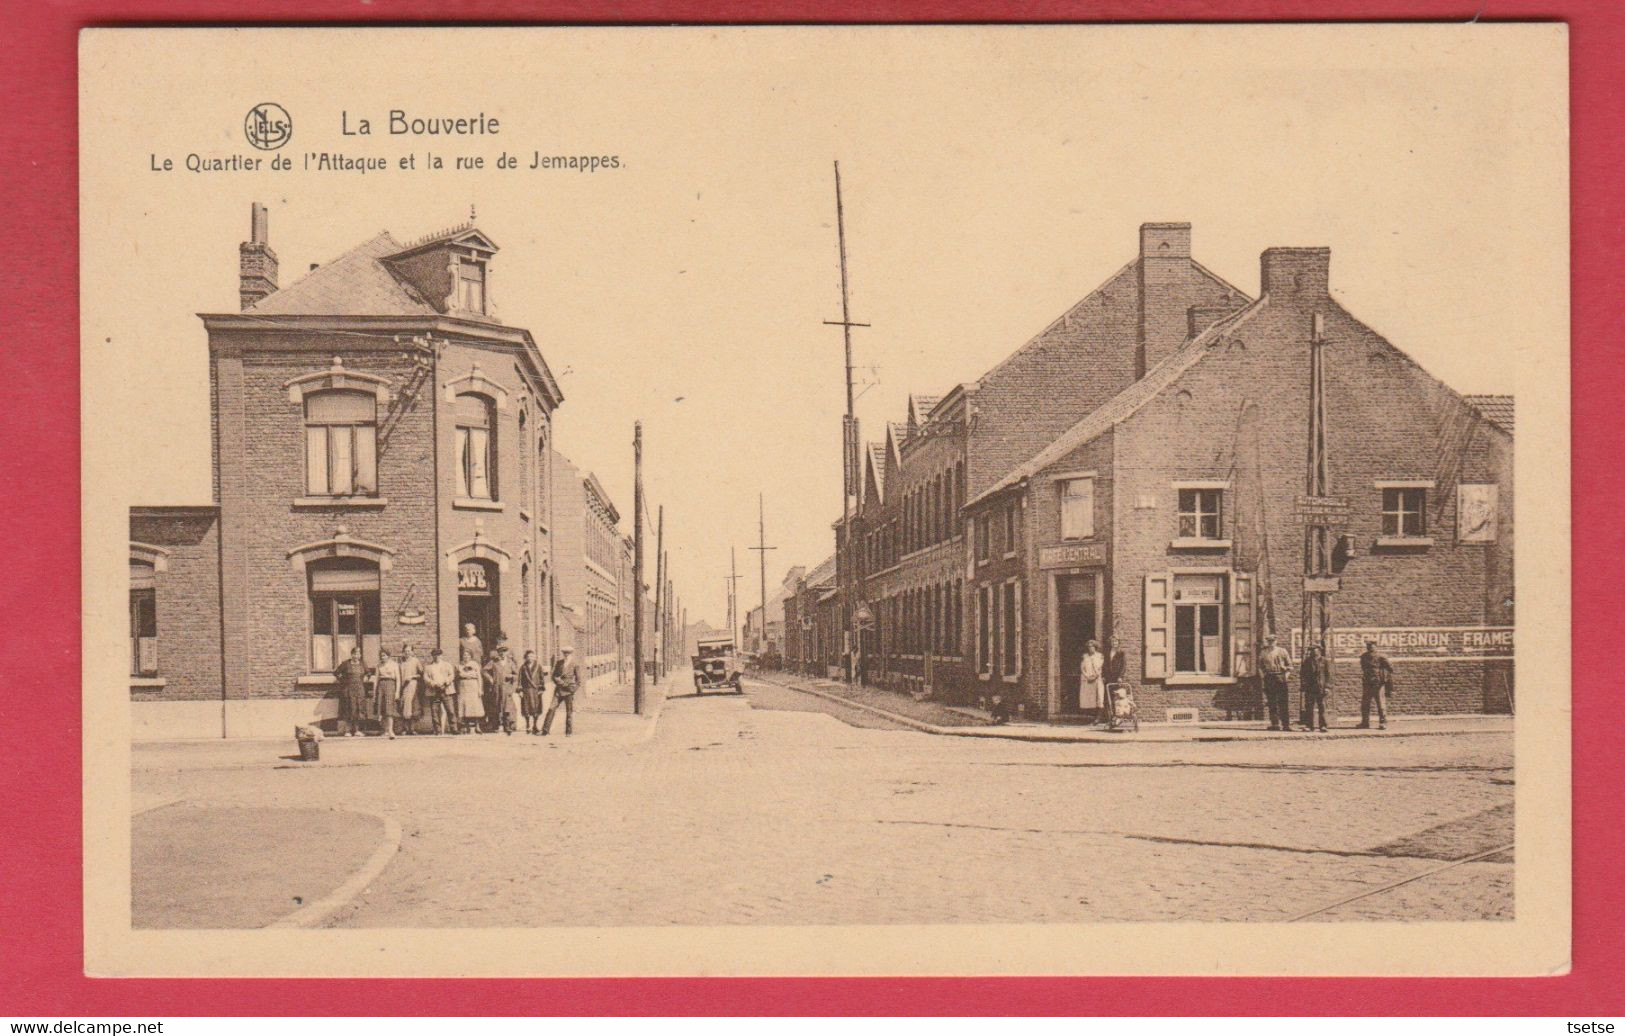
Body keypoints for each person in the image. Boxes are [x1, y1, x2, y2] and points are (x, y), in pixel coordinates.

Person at [543, 646, 580, 736]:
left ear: (571, 653)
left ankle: (568, 732)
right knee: (551, 708)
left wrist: (572, 690)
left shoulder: (575, 664)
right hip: (558, 690)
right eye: (565, 653)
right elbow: (553, 676)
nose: (566, 655)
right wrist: (558, 680)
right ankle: (545, 730)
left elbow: (578, 681)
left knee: (569, 711)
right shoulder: (559, 663)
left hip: (568, 691)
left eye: (568, 653)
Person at [1258, 634, 1293, 731]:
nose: (1271, 643)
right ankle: (1275, 724)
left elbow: (1290, 666)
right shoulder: (1263, 652)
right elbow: (1260, 666)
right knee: (1271, 702)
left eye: (1273, 641)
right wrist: (1263, 676)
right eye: (1269, 641)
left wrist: (1286, 674)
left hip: (1280, 677)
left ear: (1276, 641)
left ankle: (1286, 724)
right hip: (1269, 677)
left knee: (1283, 702)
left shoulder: (1282, 651)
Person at [334, 646, 370, 737]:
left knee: (358, 709)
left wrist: (366, 677)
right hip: (348, 689)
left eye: (358, 653)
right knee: (348, 709)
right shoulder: (346, 663)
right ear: (351, 654)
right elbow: (336, 673)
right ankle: (347, 731)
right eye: (354, 653)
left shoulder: (362, 664)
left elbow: (368, 673)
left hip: (359, 689)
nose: (356, 656)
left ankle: (357, 730)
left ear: (360, 655)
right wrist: (343, 681)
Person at [484, 643, 519, 735]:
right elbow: (484, 671)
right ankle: (496, 726)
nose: (502, 654)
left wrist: (511, 676)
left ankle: (507, 726)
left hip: (507, 688)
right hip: (497, 688)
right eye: (500, 652)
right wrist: (490, 679)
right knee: (496, 706)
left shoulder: (510, 663)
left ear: (506, 652)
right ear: (498, 653)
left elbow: (517, 675)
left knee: (507, 707)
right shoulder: (494, 662)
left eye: (504, 651)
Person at [1359, 640, 1393, 730]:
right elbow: (1363, 668)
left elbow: (1390, 668)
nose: (1369, 647)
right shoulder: (1364, 657)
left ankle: (1383, 722)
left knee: (1380, 704)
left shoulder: (1381, 657)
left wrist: (1383, 676)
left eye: (1371, 646)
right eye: (1368, 646)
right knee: (1365, 704)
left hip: (1378, 683)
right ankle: (1365, 723)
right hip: (1367, 683)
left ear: (1375, 646)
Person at [422, 647, 457, 735]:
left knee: (450, 710)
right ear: (432, 656)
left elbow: (451, 675)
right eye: (435, 655)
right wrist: (433, 683)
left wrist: (446, 682)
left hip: (446, 690)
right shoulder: (428, 667)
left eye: (439, 655)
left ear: (441, 656)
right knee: (434, 711)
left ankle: (454, 729)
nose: (437, 657)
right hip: (434, 691)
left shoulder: (447, 665)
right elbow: (425, 678)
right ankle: (437, 730)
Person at [1300, 643, 1331, 732]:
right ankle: (1309, 725)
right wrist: (1303, 685)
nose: (1313, 652)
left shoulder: (1324, 661)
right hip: (1310, 687)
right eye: (1311, 650)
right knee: (1309, 707)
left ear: (1319, 650)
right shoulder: (1307, 661)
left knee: (1322, 707)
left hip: (1320, 687)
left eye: (1315, 650)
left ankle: (1323, 726)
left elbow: (1328, 675)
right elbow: (1303, 674)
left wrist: (1327, 687)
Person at [374, 650, 402, 738]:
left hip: (391, 686)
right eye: (381, 656)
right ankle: (384, 730)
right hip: (381, 686)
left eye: (384, 656)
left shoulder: (394, 665)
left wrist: (397, 692)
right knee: (382, 708)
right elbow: (376, 680)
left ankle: (390, 731)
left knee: (389, 709)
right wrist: (375, 693)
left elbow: (398, 680)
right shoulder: (379, 666)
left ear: (388, 656)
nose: (383, 657)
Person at [518, 649, 547, 734]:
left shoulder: (538, 666)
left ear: (535, 657)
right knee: (526, 709)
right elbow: (519, 680)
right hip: (526, 690)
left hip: (536, 691)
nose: (530, 658)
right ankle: (528, 725)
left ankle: (535, 725)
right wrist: (520, 691)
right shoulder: (523, 667)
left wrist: (541, 689)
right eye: (528, 656)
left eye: (532, 656)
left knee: (536, 709)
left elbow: (542, 679)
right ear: (526, 658)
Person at [397, 643, 423, 735]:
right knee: (404, 705)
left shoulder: (415, 661)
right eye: (405, 651)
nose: (407, 653)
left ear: (412, 652)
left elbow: (421, 674)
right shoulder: (401, 662)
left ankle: (412, 729)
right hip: (403, 686)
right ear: (403, 652)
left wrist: (412, 676)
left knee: (413, 705)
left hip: (413, 685)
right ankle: (405, 728)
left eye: (409, 651)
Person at [1079, 639, 1106, 723]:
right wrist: (1087, 676)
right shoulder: (1085, 656)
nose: (1090, 648)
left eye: (1092, 647)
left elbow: (1101, 668)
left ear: (1095, 647)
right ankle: (1092, 717)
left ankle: (1099, 717)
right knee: (1090, 699)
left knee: (1099, 697)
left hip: (1097, 679)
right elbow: (1082, 668)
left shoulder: (1100, 656)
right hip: (1087, 679)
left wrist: (1095, 676)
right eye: (1089, 647)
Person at [457, 654, 485, 733]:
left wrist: (480, 689)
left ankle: (477, 726)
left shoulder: (475, 664)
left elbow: (479, 677)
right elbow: (458, 677)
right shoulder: (459, 665)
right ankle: (466, 727)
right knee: (465, 706)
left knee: (475, 706)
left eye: (468, 656)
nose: (466, 657)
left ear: (470, 657)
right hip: (463, 686)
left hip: (473, 685)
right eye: (464, 656)